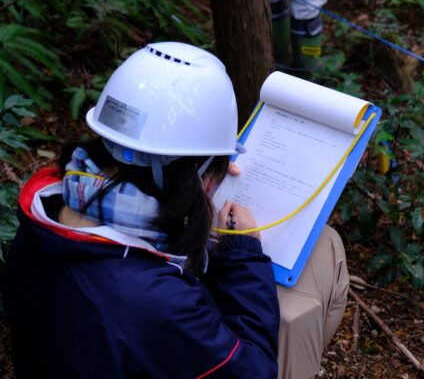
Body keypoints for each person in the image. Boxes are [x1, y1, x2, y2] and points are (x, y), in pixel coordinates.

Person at [5, 42, 348, 379]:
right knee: (321, 253)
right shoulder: (158, 302)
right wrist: (242, 256)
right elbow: (253, 370)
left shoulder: (47, 214)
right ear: (194, 172)